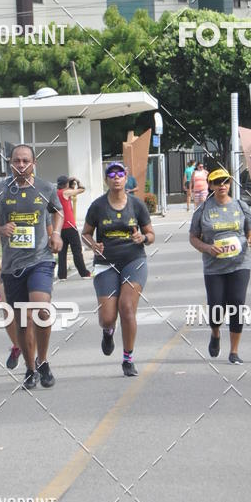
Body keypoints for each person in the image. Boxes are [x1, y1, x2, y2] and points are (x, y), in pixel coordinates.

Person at [0, 144, 63, 390]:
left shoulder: (45, 188)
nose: (21, 165)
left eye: (26, 160)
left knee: (41, 309)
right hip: (12, 264)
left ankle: (43, 361)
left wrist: (56, 234)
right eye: (17, 161)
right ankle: (30, 368)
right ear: (10, 163)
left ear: (34, 163)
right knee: (22, 320)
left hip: (40, 259)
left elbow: (58, 211)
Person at [82, 160, 155, 377]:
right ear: (106, 180)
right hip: (106, 263)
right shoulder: (98, 206)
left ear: (126, 178)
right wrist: (93, 245)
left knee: (127, 307)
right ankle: (108, 331)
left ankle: (128, 359)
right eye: (112, 175)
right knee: (107, 317)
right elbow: (85, 233)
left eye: (120, 174)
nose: (116, 178)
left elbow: (151, 234)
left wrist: (143, 237)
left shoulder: (137, 205)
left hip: (134, 261)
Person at [189, 168, 251, 362]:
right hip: (214, 267)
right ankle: (215, 333)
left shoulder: (241, 206)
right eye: (217, 182)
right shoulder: (202, 210)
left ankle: (234, 352)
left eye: (225, 181)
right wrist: (207, 248)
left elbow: (249, 230)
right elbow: (193, 237)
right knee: (216, 308)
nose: (222, 185)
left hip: (240, 263)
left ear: (230, 184)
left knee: (237, 304)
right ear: (210, 185)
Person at [56, 176, 91, 279]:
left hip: (60, 226)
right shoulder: (66, 192)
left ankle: (62, 275)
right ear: (66, 184)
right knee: (77, 251)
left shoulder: (56, 193)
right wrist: (78, 181)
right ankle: (84, 273)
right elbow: (82, 189)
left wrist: (70, 184)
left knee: (62, 252)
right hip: (70, 226)